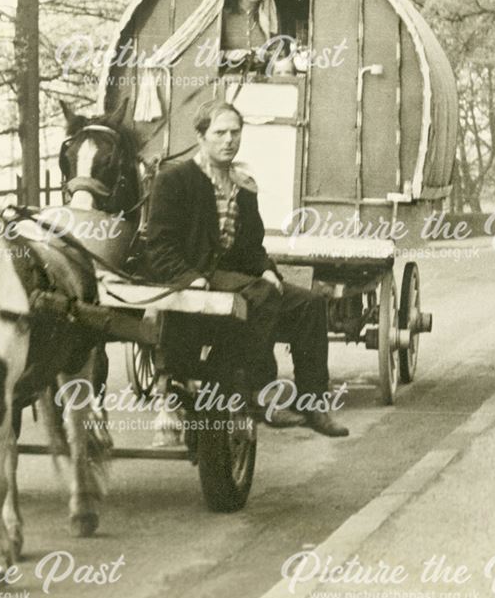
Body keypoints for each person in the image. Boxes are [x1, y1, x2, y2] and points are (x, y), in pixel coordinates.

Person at [144, 99, 348, 437]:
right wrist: (190, 279)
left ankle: (314, 405)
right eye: (219, 132)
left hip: (235, 277)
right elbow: (159, 246)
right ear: (201, 136)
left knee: (309, 305)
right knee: (263, 294)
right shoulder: (174, 180)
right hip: (196, 276)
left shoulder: (243, 185)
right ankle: (259, 392)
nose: (228, 140)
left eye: (235, 133)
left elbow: (252, 247)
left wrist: (266, 267)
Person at [220, 0, 283, 75]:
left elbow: (280, 53)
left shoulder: (271, 16)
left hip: (263, 82)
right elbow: (209, 51)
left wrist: (266, 55)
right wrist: (228, 54)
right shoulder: (225, 16)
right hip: (229, 83)